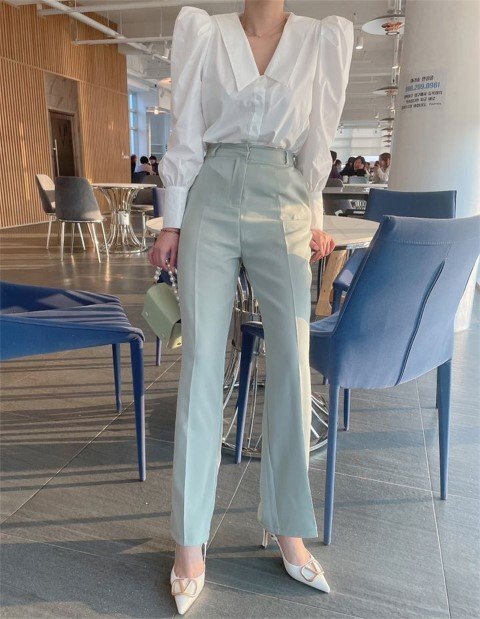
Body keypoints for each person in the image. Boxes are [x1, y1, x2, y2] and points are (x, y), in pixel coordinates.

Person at [148, 2, 353, 612]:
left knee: (292, 364)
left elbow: (320, 134)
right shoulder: (204, 31)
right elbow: (186, 127)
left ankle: (289, 527)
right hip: (211, 191)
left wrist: (314, 214)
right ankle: (189, 540)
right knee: (200, 366)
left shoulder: (321, 39)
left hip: (284, 196)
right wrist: (172, 220)